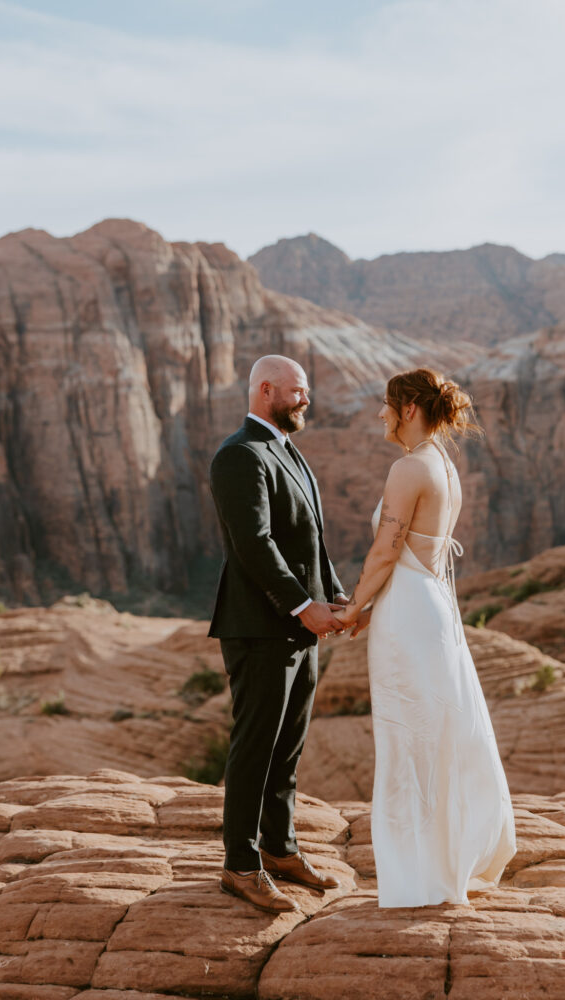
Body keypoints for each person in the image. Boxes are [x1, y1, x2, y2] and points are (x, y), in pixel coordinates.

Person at [337, 367, 516, 907]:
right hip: (427, 606)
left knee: (410, 738)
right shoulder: (444, 465)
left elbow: (386, 551)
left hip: (407, 617)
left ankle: (419, 875)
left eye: (387, 406)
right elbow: (416, 556)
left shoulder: (408, 467)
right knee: (436, 735)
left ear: (407, 410)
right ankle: (446, 863)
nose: (381, 416)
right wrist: (377, 604)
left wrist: (352, 609)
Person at [208, 354, 347, 913]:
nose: (306, 399)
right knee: (255, 747)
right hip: (261, 629)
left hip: (295, 629)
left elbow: (310, 537)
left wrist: (332, 594)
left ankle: (281, 849)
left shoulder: (286, 451)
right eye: (298, 391)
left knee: (286, 747)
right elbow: (255, 544)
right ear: (266, 391)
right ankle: (240, 865)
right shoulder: (239, 455)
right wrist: (300, 607)